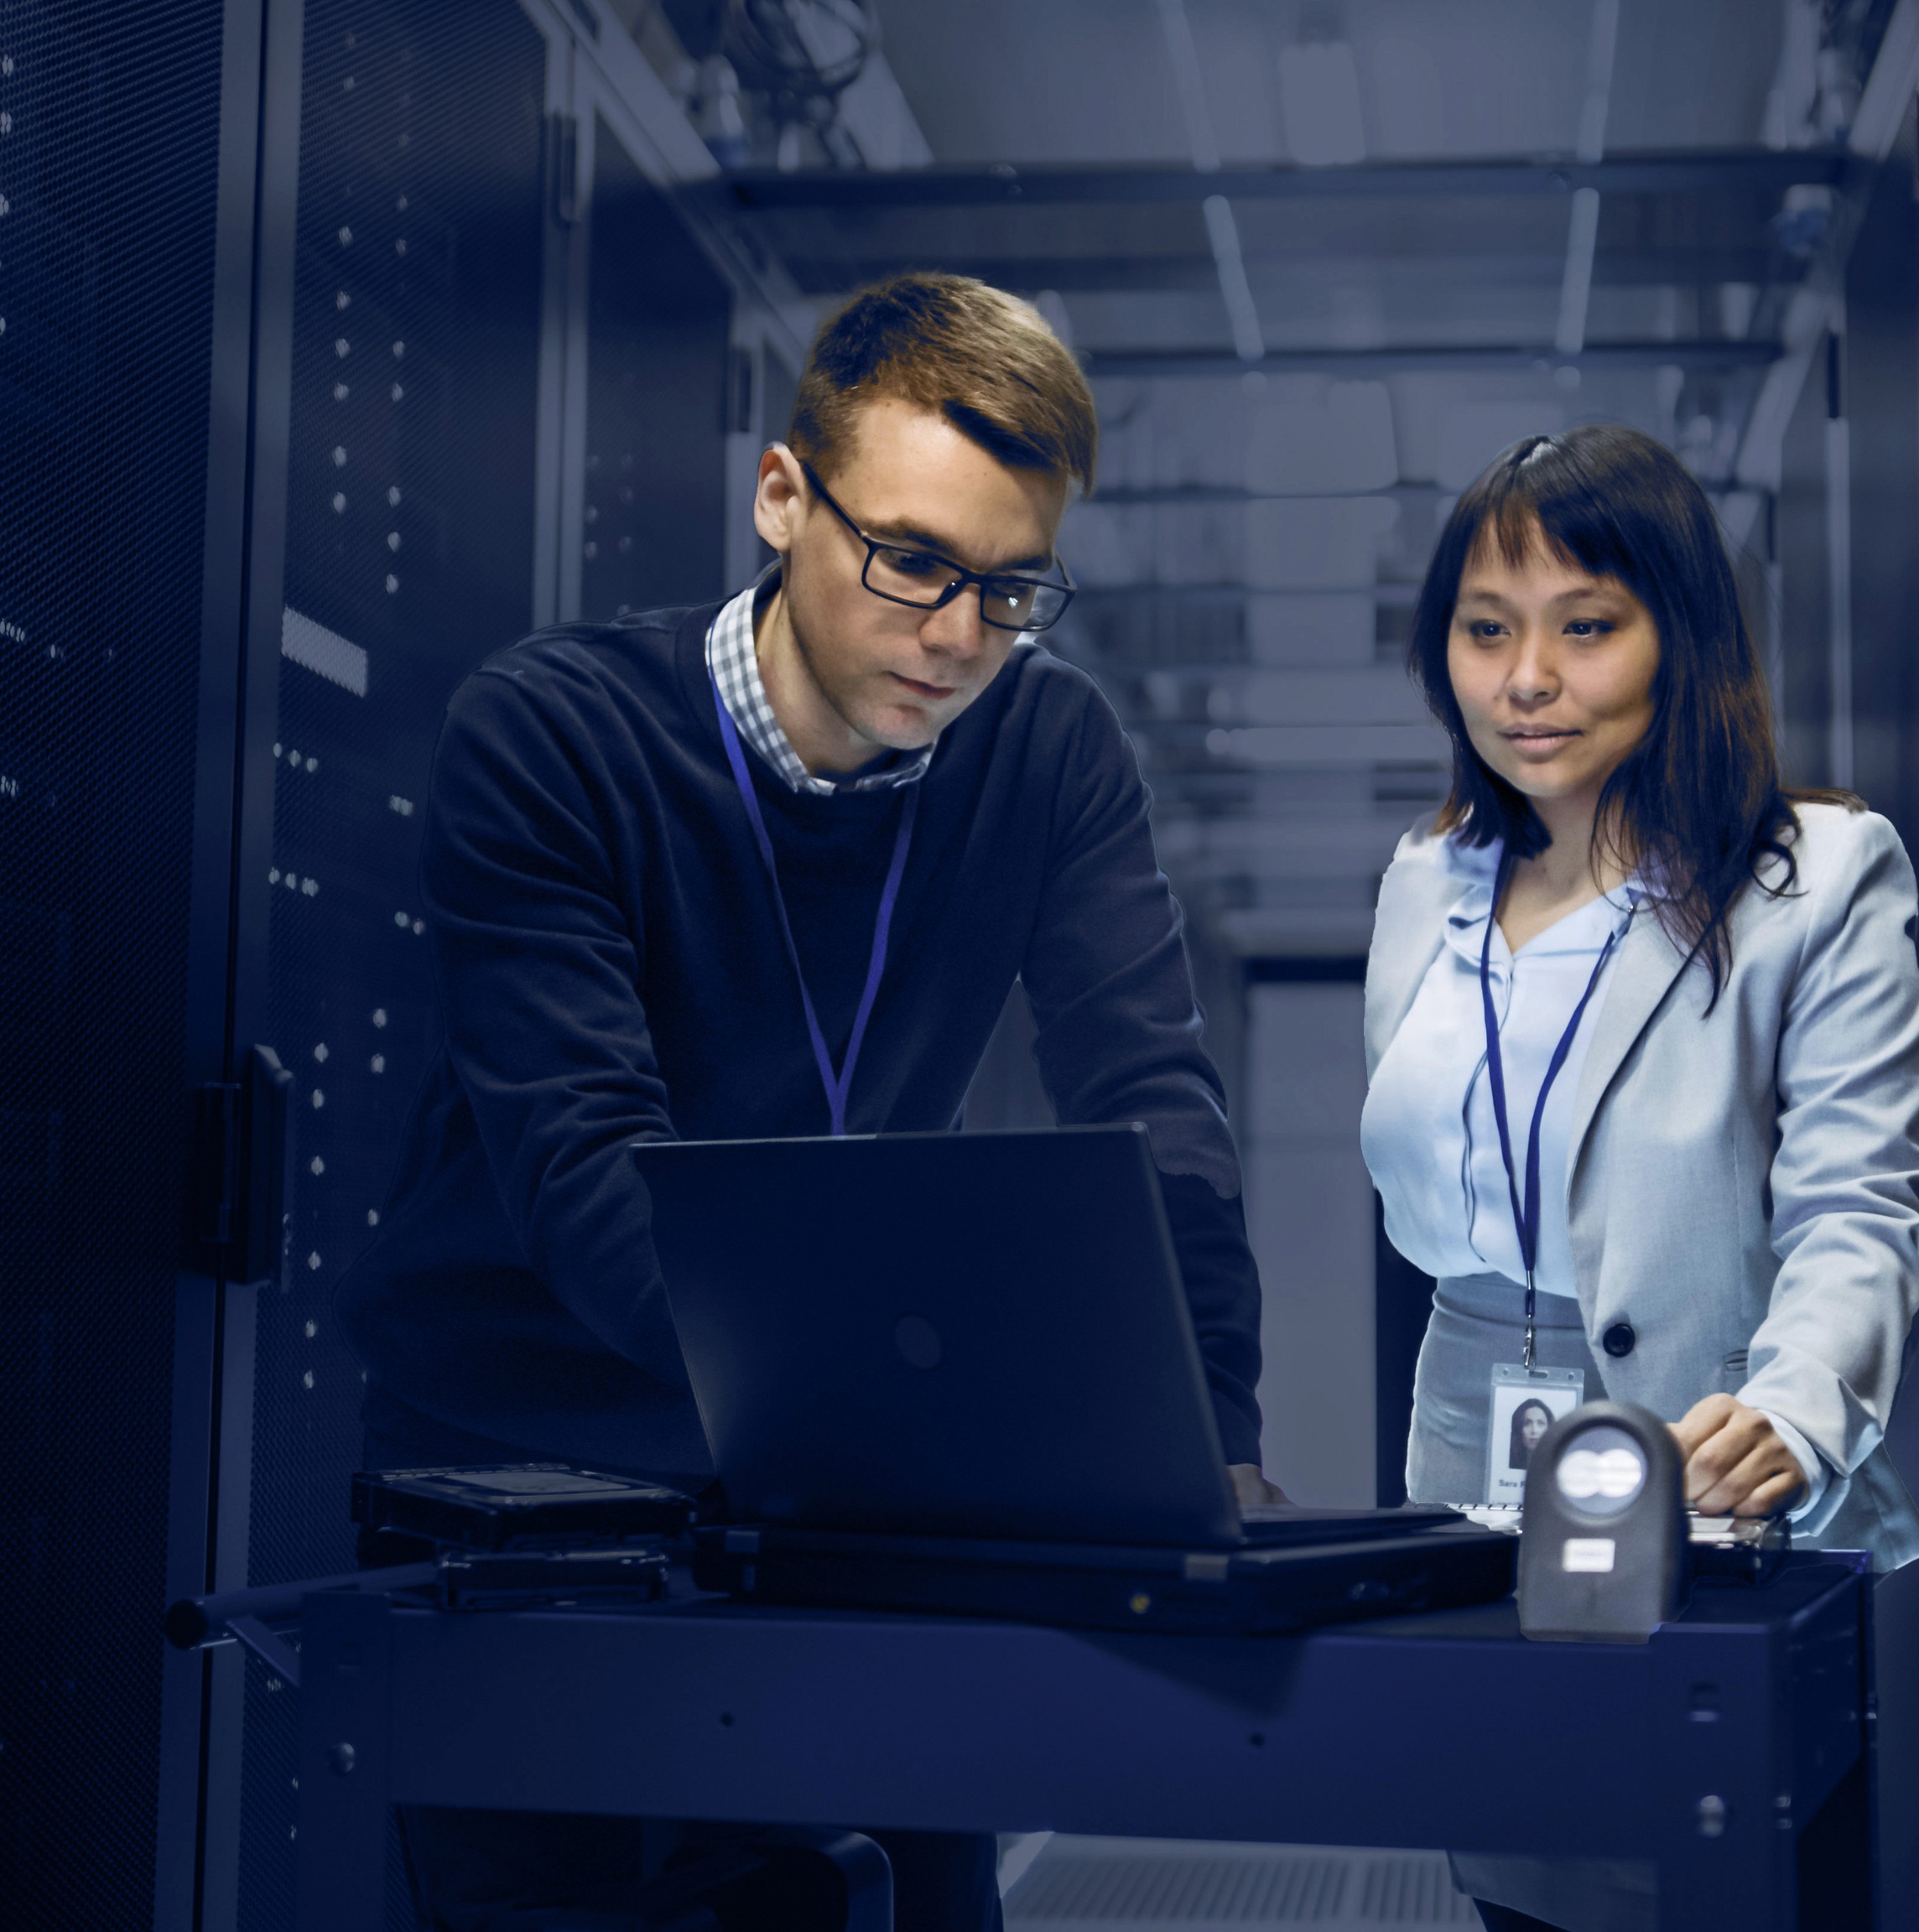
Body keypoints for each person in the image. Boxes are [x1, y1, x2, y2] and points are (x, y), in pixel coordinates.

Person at [335, 273, 1280, 1932]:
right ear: (783, 498)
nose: (955, 637)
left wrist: (1210, 1447)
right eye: (909, 560)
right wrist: (899, 1428)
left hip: (835, 1485)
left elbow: (1153, 1101)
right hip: (535, 1479)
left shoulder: (1047, 753)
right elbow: (587, 1174)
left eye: (1009, 588)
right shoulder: (554, 738)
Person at [1356, 425, 1919, 1932]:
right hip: (1477, 1514)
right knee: (1527, 1893)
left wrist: (1800, 1411)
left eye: (1586, 626)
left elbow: (1864, 1204)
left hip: (1724, 1493)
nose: (1527, 678)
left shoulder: (1810, 879)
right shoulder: (1429, 883)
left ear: (1679, 637)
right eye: (1487, 631)